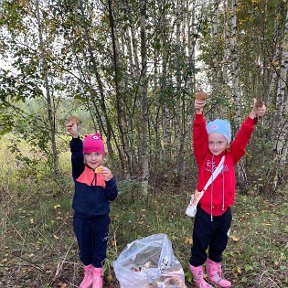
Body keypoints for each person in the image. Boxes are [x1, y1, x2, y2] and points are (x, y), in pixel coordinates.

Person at [189, 95, 266, 288]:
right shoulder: (203, 156)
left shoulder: (232, 156)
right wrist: (199, 113)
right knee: (200, 245)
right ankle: (199, 278)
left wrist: (252, 115)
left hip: (224, 212)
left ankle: (214, 273)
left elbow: (244, 135)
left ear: (227, 143)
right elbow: (199, 135)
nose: (214, 147)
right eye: (211, 142)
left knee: (219, 245)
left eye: (219, 143)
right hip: (205, 212)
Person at [66, 117, 118, 288]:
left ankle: (97, 275)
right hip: (80, 219)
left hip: (100, 220)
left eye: (97, 154)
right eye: (88, 154)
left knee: (99, 249)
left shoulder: (105, 173)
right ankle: (87, 273)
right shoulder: (79, 171)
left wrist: (110, 180)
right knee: (85, 249)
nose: (93, 158)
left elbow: (112, 196)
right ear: (84, 156)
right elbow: (75, 154)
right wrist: (75, 138)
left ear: (103, 156)